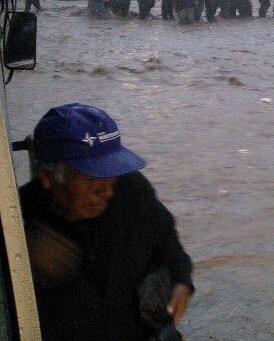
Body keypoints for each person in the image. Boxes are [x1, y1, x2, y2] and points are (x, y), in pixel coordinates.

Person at [20, 104, 193, 340]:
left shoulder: (132, 190)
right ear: (47, 176)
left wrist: (182, 281)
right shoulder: (18, 226)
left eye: (111, 172)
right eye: (92, 176)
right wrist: (24, 269)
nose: (106, 191)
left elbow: (168, 244)